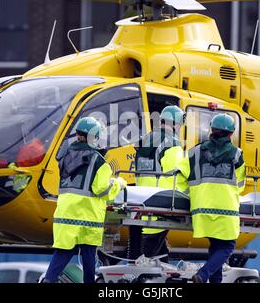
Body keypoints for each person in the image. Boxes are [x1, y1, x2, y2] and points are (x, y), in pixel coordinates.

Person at [43, 116, 127, 283]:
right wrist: (118, 183)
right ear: (93, 136)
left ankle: (48, 280)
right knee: (88, 255)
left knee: (63, 252)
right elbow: (102, 190)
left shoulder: (65, 157)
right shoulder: (99, 161)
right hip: (87, 216)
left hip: (65, 214)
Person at [188, 113, 246, 283]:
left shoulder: (196, 151)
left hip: (202, 210)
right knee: (227, 247)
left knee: (216, 248)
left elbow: (184, 175)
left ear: (211, 130)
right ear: (230, 134)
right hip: (226, 211)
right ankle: (202, 275)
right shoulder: (236, 154)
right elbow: (241, 184)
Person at [134, 105, 190, 262]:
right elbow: (177, 173)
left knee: (158, 253)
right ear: (176, 123)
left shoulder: (146, 139)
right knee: (149, 256)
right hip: (162, 202)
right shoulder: (172, 143)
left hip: (142, 199)